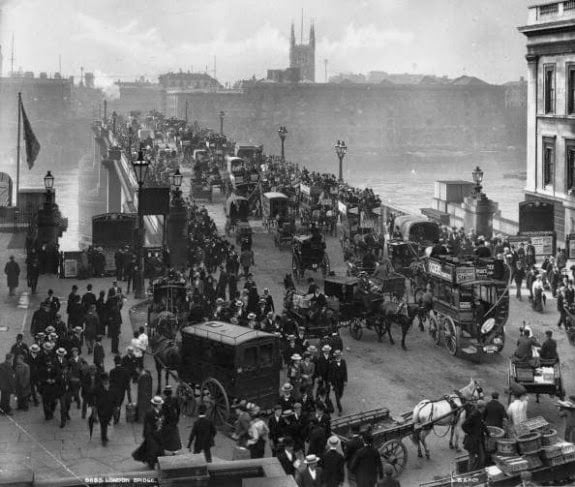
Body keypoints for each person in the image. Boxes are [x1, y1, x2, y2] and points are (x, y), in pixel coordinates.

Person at [132, 396, 165, 469]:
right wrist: (148, 435)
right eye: (160, 405)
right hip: (152, 435)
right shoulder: (149, 413)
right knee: (153, 450)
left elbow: (163, 422)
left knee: (160, 450)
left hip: (159, 434)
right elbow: (147, 425)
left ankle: (159, 463)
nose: (161, 406)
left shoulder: (162, 412)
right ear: (156, 405)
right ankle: (151, 464)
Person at [462, 400, 489, 471]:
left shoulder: (480, 415)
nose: (485, 409)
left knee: (481, 457)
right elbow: (464, 425)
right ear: (482, 408)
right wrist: (471, 432)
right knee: (472, 458)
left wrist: (488, 433)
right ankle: (470, 473)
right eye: (484, 407)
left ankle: (476, 471)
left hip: (478, 440)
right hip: (472, 441)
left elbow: (482, 425)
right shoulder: (473, 415)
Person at [161, 385, 182, 454]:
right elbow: (178, 409)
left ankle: (166, 448)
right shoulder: (174, 399)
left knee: (166, 434)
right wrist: (177, 418)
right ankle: (175, 449)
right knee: (175, 434)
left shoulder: (164, 402)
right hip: (174, 419)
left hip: (167, 420)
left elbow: (163, 413)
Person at [328, 349, 348, 416]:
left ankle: (338, 401)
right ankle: (340, 409)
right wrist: (330, 381)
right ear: (335, 356)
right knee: (336, 395)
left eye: (339, 355)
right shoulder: (332, 363)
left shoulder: (343, 361)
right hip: (335, 382)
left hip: (341, 381)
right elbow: (330, 373)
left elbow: (345, 372)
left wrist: (345, 380)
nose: (338, 356)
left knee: (340, 394)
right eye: (337, 355)